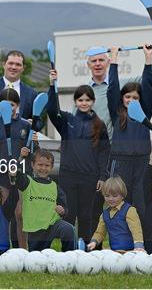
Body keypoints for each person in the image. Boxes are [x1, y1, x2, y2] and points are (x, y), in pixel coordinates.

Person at [47, 77, 110, 244]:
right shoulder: (67, 120)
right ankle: (69, 251)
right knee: (69, 214)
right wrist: (52, 85)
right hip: (68, 176)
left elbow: (104, 152)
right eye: (80, 99)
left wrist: (102, 176)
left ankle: (85, 252)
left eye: (87, 100)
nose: (84, 103)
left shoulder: (99, 124)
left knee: (86, 216)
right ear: (75, 101)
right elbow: (52, 111)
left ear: (93, 101)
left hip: (90, 177)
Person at [0, 88, 38, 248]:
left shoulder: (25, 126)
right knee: (1, 213)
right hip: (1, 177)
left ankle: (22, 250)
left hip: (22, 177)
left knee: (20, 214)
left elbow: (34, 154)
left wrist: (32, 146)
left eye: (12, 105)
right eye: (5, 105)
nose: (9, 108)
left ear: (18, 105)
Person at [106, 44, 152, 220]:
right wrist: (113, 60)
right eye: (128, 97)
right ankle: (121, 241)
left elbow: (148, 87)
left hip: (141, 164)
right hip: (121, 163)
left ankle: (139, 241)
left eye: (135, 97)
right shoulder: (117, 113)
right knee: (120, 204)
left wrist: (148, 60)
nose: (131, 100)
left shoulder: (145, 114)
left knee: (140, 205)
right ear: (122, 99)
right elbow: (112, 89)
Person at [9, 149, 76, 252]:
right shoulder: (27, 182)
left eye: (47, 165)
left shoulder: (55, 186)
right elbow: (14, 172)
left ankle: (69, 256)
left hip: (52, 224)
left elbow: (64, 208)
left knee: (68, 229)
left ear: (52, 167)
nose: (43, 168)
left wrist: (62, 210)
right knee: (36, 260)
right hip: (35, 229)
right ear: (32, 165)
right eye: (40, 165)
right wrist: (21, 157)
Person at [87, 177, 144, 252]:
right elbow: (100, 233)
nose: (110, 199)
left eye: (114, 196)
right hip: (114, 252)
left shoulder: (129, 210)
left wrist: (138, 245)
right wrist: (94, 242)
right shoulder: (104, 214)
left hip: (131, 251)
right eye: (107, 196)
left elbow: (136, 230)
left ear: (122, 195)